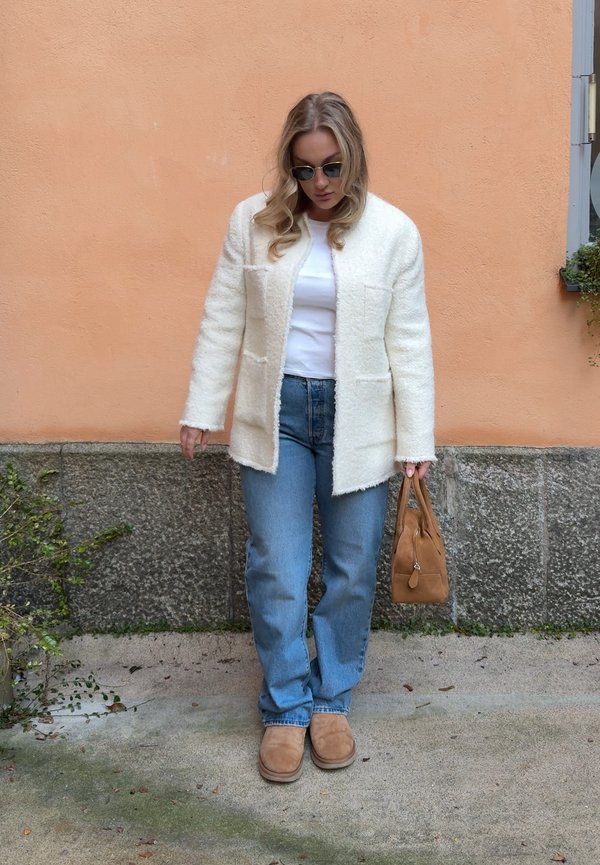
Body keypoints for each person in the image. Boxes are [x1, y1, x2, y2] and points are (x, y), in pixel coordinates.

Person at [180, 92, 435, 783]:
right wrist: (202, 406)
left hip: (361, 418)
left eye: (331, 168)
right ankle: (287, 707)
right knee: (277, 566)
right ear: (289, 168)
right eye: (304, 171)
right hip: (279, 414)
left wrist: (416, 437)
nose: (319, 185)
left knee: (352, 568)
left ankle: (332, 701)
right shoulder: (253, 222)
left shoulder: (393, 232)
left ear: (352, 159)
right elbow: (223, 314)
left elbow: (408, 340)